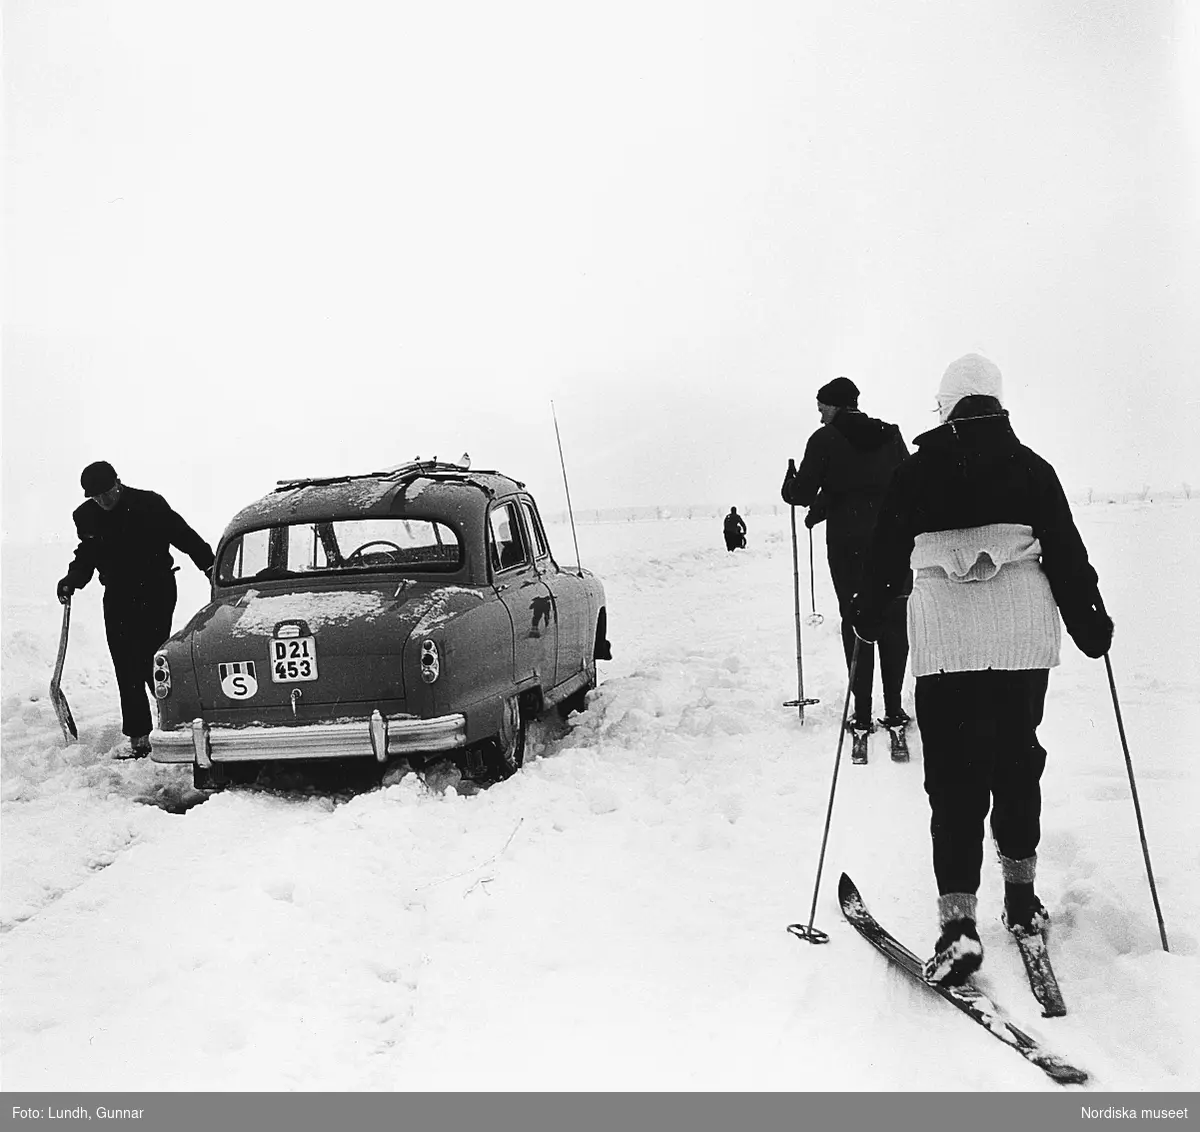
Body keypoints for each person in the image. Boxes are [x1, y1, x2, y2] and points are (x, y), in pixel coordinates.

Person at [849, 355, 1113, 986]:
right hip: (1022, 643)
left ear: (947, 407)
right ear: (998, 403)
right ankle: (1022, 903)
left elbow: (886, 555)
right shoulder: (1033, 468)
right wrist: (1089, 622)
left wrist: (866, 615)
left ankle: (958, 927)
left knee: (954, 778)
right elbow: (1067, 552)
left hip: (946, 647)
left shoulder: (917, 472)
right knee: (1017, 760)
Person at [781, 376, 911, 762]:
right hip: (893, 543)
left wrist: (793, 483)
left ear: (836, 405)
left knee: (856, 620)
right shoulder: (891, 434)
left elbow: (802, 493)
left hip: (848, 546)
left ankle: (862, 711)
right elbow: (897, 484)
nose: (819, 413)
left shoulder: (823, 440)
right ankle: (893, 708)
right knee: (893, 619)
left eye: (822, 406)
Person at [57, 461, 215, 758]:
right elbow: (87, 554)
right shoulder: (87, 516)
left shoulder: (149, 504)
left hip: (156, 589)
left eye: (107, 492)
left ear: (118, 482)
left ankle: (174, 720)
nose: (103, 501)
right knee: (123, 660)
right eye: (96, 497)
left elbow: (184, 536)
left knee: (149, 657)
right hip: (117, 592)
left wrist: (209, 564)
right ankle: (139, 738)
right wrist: (72, 580)